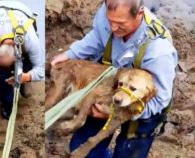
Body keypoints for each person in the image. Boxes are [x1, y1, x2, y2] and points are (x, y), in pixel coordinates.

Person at [51, 0, 177, 157]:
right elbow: (97, 36)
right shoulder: (109, 12)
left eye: (120, 24)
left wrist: (113, 114)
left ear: (140, 13)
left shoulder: (159, 52)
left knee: (128, 151)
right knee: (81, 148)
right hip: (112, 87)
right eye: (110, 21)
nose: (112, 28)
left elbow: (160, 101)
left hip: (143, 106)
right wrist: (70, 54)